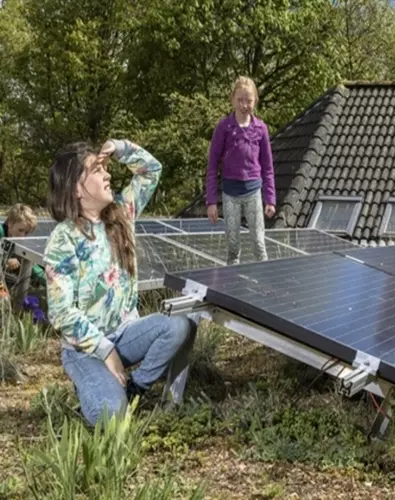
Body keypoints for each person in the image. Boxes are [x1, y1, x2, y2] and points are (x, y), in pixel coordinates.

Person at [44, 139, 196, 427]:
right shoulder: (63, 239)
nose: (108, 175)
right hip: (84, 350)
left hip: (127, 333)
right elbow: (62, 314)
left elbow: (151, 169)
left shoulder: (123, 214)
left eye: (105, 168)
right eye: (97, 170)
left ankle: (133, 388)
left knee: (179, 325)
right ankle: (102, 390)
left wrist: (120, 148)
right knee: (111, 415)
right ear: (76, 189)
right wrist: (106, 352)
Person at [206, 76, 276, 264]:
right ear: (233, 100)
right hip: (230, 194)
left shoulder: (261, 129)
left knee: (259, 245)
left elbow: (268, 167)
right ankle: (232, 287)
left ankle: (264, 286)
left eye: (249, 100)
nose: (244, 105)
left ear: (255, 101)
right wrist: (211, 201)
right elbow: (212, 165)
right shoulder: (224, 127)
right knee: (233, 247)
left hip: (253, 192)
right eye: (240, 100)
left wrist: (270, 199)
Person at [1, 203, 46, 285]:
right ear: (10, 223)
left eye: (26, 233)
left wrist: (51, 283)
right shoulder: (1, 232)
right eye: (20, 230)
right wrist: (6, 260)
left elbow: (33, 267)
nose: (22, 236)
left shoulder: (17, 241)